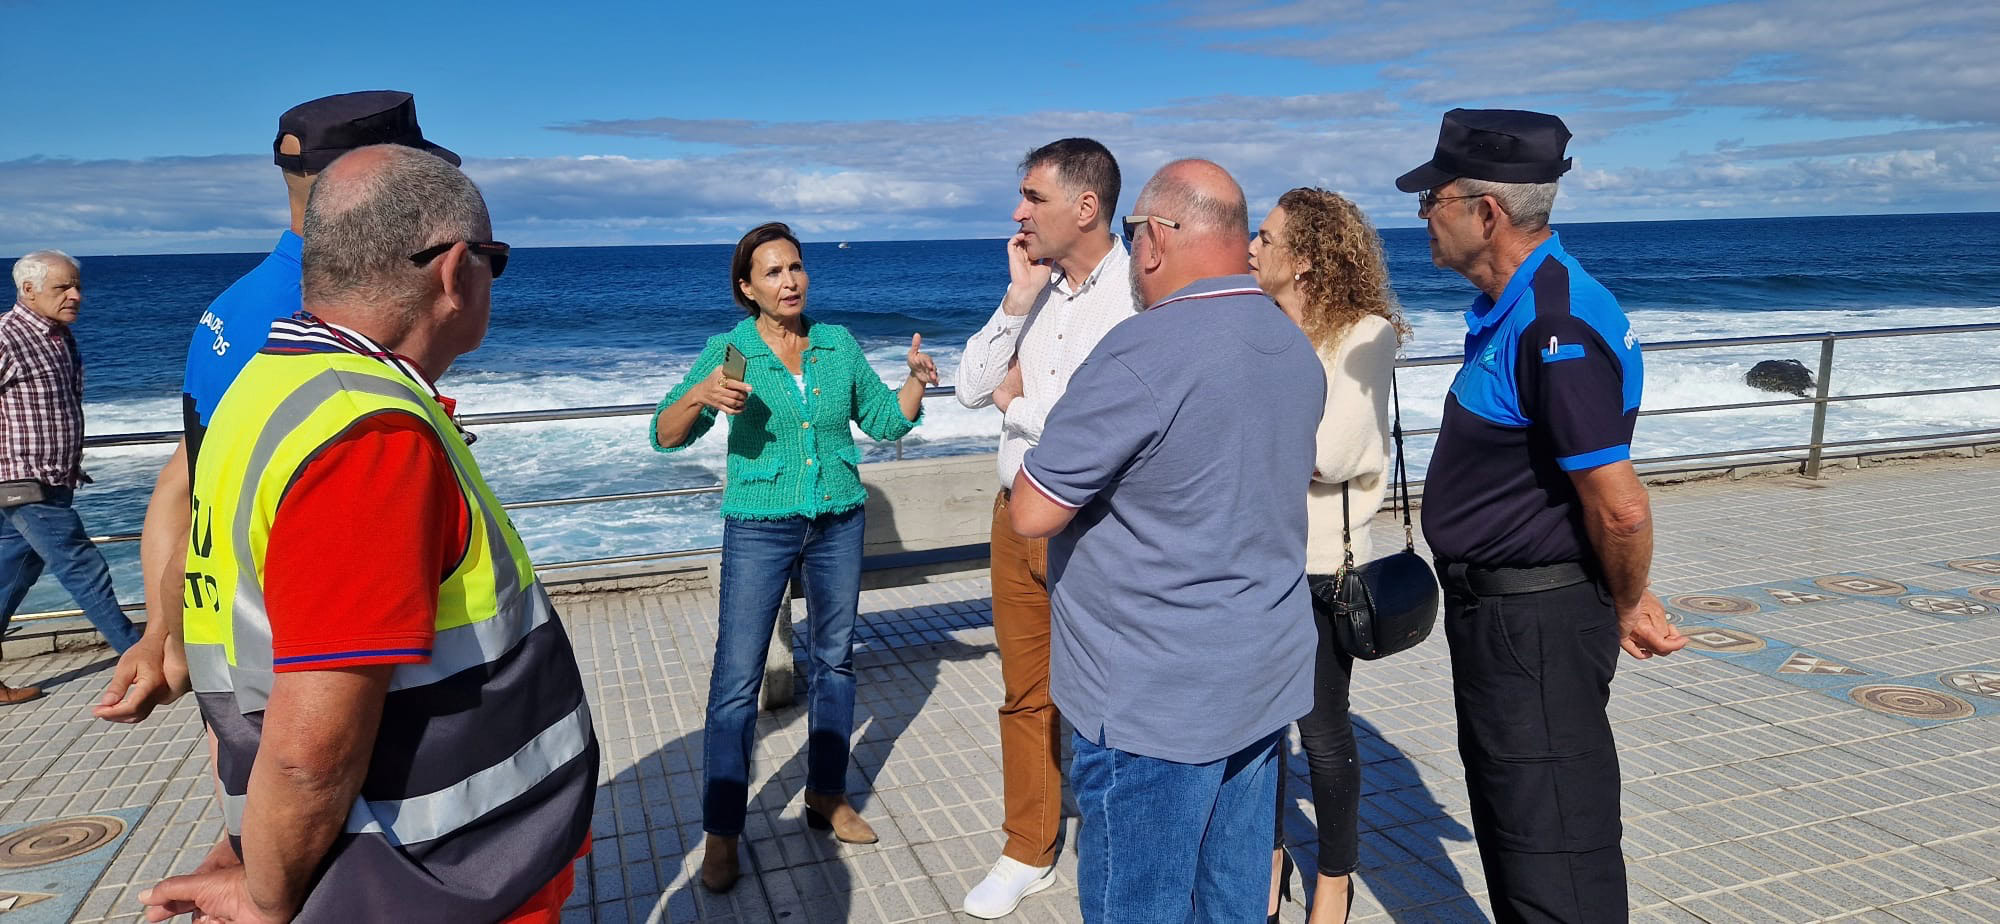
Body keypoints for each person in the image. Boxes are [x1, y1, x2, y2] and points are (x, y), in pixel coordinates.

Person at [139, 145, 594, 923]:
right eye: (497, 261)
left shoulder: (267, 383)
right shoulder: (369, 437)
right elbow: (310, 754)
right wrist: (268, 894)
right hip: (435, 877)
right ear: (455, 270)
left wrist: (258, 843)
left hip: (377, 857)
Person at [1008, 160, 1324, 924]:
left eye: (1132, 234)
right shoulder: (1291, 344)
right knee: (1233, 901)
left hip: (1152, 698)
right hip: (1259, 677)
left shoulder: (1142, 351)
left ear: (1154, 241)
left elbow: (1031, 511)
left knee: (1139, 905)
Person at [1393, 108, 1686, 922]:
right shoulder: (1518, 306)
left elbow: (1620, 510)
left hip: (1536, 624)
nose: (1423, 217)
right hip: (1506, 618)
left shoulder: (1553, 322)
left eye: (1433, 201)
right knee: (1517, 823)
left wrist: (1629, 599)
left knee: (1552, 835)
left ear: (1485, 213)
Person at [96, 90, 459, 724]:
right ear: (371, 175)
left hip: (241, 657)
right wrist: (168, 640)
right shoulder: (327, 318)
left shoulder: (235, 303)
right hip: (300, 666)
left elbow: (185, 482)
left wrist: (165, 632)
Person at [651, 221, 938, 893]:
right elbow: (665, 435)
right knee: (736, 682)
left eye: (796, 267)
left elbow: (885, 421)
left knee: (835, 662)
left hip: (839, 517)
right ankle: (723, 832)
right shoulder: (731, 351)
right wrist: (699, 396)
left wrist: (916, 383)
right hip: (759, 524)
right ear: (747, 288)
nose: (789, 280)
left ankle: (826, 795)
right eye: (772, 272)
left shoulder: (836, 344)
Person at [952, 137, 1137, 919]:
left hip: (1091, 526)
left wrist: (1017, 405)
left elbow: (1097, 424)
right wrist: (1015, 302)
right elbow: (968, 386)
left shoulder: (1135, 296)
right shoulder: (1043, 293)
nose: (1018, 211)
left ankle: (1119, 840)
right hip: (1011, 517)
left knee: (1107, 697)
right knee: (1025, 695)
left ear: (1085, 207)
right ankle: (1028, 847)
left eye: (1032, 197)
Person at [1248, 188, 1407, 924]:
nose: (1252, 246)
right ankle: (1272, 857)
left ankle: (1334, 882)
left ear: (1305, 258)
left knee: (1319, 728)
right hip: (1250, 556)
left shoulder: (1362, 335)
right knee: (1255, 726)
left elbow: (1329, 453)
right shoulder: (1260, 326)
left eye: (1267, 236)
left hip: (1315, 562)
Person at [2, 250, 142, 702]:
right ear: (28, 290)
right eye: (63, 288)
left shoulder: (58, 337)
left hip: (54, 479)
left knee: (12, 575)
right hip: (22, 482)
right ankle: (143, 662)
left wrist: (68, 462)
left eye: (77, 285)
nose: (76, 296)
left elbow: (52, 408)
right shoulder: (8, 337)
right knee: (84, 567)